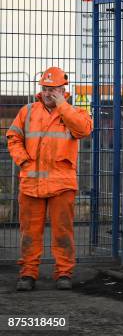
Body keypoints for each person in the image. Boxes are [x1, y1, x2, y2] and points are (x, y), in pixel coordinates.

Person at [7, 66, 93, 291]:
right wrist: (24, 161)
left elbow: (84, 130)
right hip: (31, 183)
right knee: (29, 232)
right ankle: (28, 273)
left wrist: (63, 106)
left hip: (61, 185)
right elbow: (13, 137)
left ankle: (64, 273)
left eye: (53, 89)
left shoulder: (74, 113)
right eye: (45, 88)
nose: (48, 93)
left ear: (63, 90)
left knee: (63, 231)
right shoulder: (27, 112)